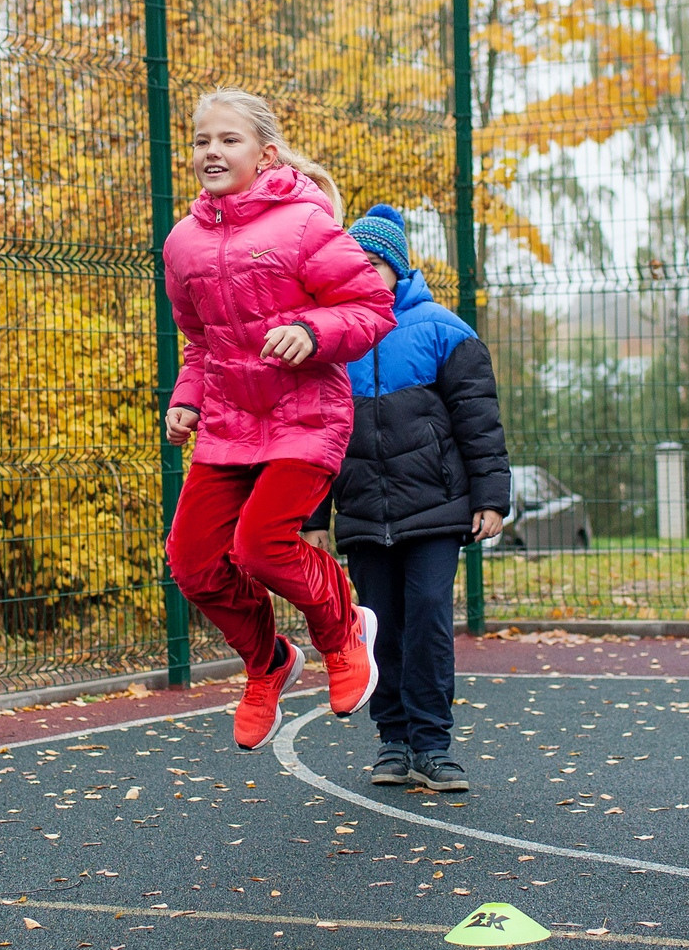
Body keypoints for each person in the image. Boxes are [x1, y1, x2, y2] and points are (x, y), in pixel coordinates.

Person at [162, 90, 396, 751]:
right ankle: (268, 663)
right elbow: (199, 342)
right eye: (203, 140)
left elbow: (372, 307)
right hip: (230, 424)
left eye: (228, 140)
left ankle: (342, 629)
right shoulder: (182, 245)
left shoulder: (303, 224)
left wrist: (310, 328)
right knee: (193, 561)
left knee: (261, 546)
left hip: (305, 418)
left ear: (265, 154)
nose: (212, 151)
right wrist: (189, 398)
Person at [313, 203, 511, 794]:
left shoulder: (444, 331)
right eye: (356, 265)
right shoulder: (330, 342)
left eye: (375, 264)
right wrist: (312, 517)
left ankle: (433, 743)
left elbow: (480, 423)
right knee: (381, 628)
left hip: (434, 510)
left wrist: (491, 497)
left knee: (427, 620)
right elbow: (313, 434)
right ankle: (392, 741)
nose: (365, 274)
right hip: (364, 513)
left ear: (399, 269)